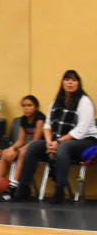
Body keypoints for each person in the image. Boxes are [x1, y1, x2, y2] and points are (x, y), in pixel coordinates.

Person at [14, 70, 97, 204]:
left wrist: (57, 142)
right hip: (59, 140)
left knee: (63, 148)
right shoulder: (56, 102)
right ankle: (24, 188)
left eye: (74, 80)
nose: (70, 82)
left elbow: (80, 131)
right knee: (34, 146)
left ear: (78, 84)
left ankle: (59, 190)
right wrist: (49, 142)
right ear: (62, 82)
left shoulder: (85, 102)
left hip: (86, 141)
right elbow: (48, 125)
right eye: (67, 79)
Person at [0, 95, 45, 201]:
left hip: (42, 148)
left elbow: (36, 140)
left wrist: (22, 149)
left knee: (22, 153)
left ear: (36, 107)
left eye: (29, 105)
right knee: (6, 153)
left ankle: (12, 188)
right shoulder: (24, 119)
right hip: (31, 147)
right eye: (24, 106)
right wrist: (11, 148)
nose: (26, 108)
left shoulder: (40, 119)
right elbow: (20, 140)